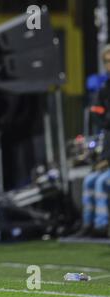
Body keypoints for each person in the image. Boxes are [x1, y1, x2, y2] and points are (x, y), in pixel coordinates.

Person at [74, 45, 110, 238]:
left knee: (101, 182)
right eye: (106, 61)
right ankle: (88, 225)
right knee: (90, 180)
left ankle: (101, 226)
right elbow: (98, 115)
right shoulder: (105, 88)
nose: (108, 65)